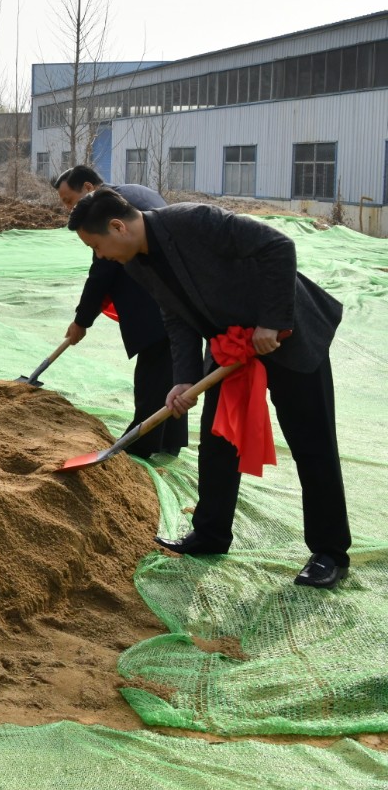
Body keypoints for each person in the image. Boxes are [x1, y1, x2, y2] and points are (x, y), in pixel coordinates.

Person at [68, 188, 351, 589]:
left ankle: (330, 553)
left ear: (118, 227)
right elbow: (175, 316)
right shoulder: (136, 264)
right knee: (218, 441)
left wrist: (271, 321)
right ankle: (210, 534)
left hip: (286, 335)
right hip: (229, 346)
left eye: (96, 246)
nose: (100, 257)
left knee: (311, 442)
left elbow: (278, 246)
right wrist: (184, 378)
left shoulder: (193, 221)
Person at [53, 165, 185, 459]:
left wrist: (81, 321)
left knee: (153, 376)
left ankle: (140, 445)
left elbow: (102, 273)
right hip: (170, 296)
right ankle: (169, 440)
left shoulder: (107, 213)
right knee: (170, 373)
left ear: (88, 188)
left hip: (156, 301)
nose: (68, 208)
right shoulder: (132, 192)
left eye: (68, 200)